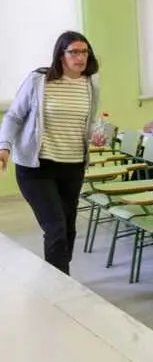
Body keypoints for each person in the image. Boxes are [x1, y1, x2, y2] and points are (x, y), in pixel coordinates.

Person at [0, 31, 102, 275]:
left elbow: (90, 122)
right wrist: (4, 146)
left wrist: (96, 134)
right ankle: (62, 285)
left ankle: (57, 277)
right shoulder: (39, 80)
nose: (80, 57)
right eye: (74, 51)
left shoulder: (91, 83)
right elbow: (14, 116)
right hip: (36, 167)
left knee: (68, 229)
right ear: (60, 55)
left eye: (84, 51)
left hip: (73, 165)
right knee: (55, 228)